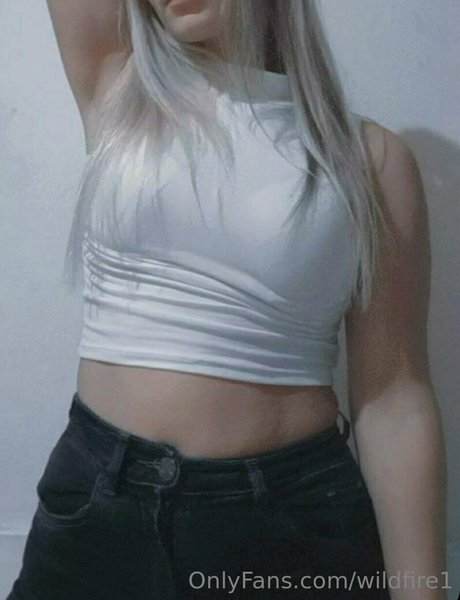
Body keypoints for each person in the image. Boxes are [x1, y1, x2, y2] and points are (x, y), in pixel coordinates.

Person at [7, 1, 447, 599]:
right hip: (95, 504)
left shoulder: (371, 162)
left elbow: (395, 400)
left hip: (288, 523)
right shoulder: (120, 87)